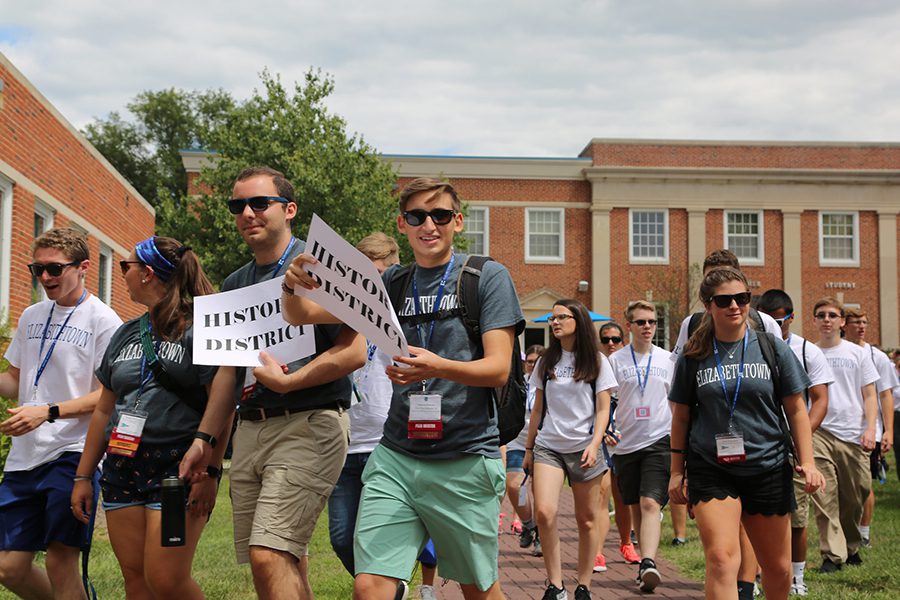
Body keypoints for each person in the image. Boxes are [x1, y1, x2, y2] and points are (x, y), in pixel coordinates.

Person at [281, 176, 524, 600]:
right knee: (369, 586)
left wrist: (437, 366)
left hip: (464, 458)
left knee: (478, 591)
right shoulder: (389, 282)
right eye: (417, 216)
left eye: (440, 215)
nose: (429, 225)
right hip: (395, 456)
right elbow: (301, 314)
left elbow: (499, 368)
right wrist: (291, 282)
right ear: (402, 224)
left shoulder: (485, 276)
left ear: (458, 222)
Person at [179, 166, 365, 600]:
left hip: (311, 422)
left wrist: (291, 382)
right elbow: (229, 370)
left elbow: (354, 351)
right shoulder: (234, 283)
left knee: (268, 552)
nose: (247, 213)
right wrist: (204, 439)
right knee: (280, 557)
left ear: (290, 209)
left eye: (260, 203)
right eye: (238, 205)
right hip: (252, 430)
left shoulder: (320, 266)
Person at [69, 236, 226, 599]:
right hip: (122, 470)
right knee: (136, 579)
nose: (122, 274)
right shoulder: (125, 333)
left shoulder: (199, 329)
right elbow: (104, 410)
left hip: (177, 470)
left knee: (166, 578)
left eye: (126, 266)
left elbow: (223, 405)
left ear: (147, 274)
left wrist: (212, 472)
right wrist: (82, 475)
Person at [668, 267, 824, 600]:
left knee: (778, 569)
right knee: (722, 560)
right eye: (724, 300)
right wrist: (676, 472)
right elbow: (680, 418)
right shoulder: (694, 355)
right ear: (709, 305)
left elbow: (796, 409)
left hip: (767, 465)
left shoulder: (771, 347)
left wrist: (808, 461)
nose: (735, 306)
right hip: (711, 467)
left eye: (742, 298)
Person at [0, 228, 122, 600]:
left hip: (73, 454)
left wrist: (46, 413)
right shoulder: (32, 315)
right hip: (24, 459)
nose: (45, 278)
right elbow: (13, 379)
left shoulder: (104, 321)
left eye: (54, 269)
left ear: (84, 267)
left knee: (60, 561)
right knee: (8, 566)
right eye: (38, 269)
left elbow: (107, 396)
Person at [523, 299, 616, 600]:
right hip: (549, 446)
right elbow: (537, 409)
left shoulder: (598, 361)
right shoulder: (546, 361)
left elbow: (603, 409)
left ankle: (584, 585)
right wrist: (528, 448)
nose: (555, 322)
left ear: (578, 320)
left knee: (587, 519)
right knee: (545, 513)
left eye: (562, 316)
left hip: (584, 448)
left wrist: (594, 443)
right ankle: (556, 585)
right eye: (553, 317)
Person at [757, 289, 833, 596]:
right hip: (759, 445)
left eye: (783, 321)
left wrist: (798, 439)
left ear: (791, 317)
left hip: (793, 446)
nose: (778, 326)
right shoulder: (750, 347)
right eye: (770, 321)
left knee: (797, 515)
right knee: (758, 515)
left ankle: (797, 577)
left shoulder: (806, 351)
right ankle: (756, 575)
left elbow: (820, 400)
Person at [605, 301, 675, 592]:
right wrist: (606, 428)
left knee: (649, 502)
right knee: (634, 502)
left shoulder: (668, 359)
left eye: (652, 322)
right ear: (630, 326)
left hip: (659, 439)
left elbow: (676, 403)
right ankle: (643, 560)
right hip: (625, 443)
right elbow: (605, 400)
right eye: (641, 322)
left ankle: (648, 562)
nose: (648, 327)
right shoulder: (615, 361)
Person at [809, 297, 879, 574]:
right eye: (821, 315)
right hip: (819, 432)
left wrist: (871, 428)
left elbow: (870, 394)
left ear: (841, 322)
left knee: (856, 495)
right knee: (825, 496)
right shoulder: (808, 353)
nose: (827, 319)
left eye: (832, 315)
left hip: (853, 433)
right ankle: (832, 555)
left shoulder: (858, 353)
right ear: (814, 321)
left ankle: (851, 545)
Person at [839, 308, 897, 549]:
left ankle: (864, 532)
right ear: (845, 325)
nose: (861, 326)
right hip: (838, 429)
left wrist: (887, 431)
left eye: (864, 322)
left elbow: (886, 396)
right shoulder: (834, 350)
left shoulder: (877, 357)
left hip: (867, 430)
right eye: (856, 322)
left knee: (864, 484)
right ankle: (844, 534)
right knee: (841, 488)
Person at [596, 322, 640, 569]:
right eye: (605, 339)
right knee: (601, 497)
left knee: (623, 497)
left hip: (626, 440)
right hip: (603, 440)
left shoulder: (629, 366)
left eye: (615, 339)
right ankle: (598, 552)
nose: (610, 343)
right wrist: (600, 433)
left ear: (623, 340)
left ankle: (626, 543)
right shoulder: (596, 367)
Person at [504, 344, 543, 556]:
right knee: (515, 485)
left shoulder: (550, 383)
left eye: (538, 362)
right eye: (530, 362)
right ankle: (529, 525)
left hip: (543, 443)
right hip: (518, 442)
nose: (533, 366)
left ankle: (541, 537)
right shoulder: (519, 383)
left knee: (541, 492)